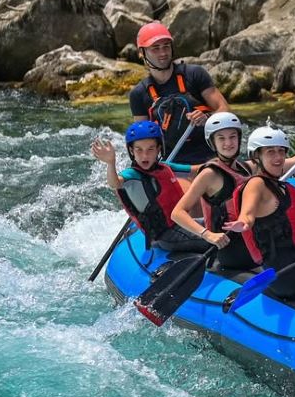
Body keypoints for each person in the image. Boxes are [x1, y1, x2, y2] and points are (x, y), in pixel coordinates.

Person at [223, 126, 295, 299]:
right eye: (270, 152)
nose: (278, 157)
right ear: (257, 156)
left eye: (281, 151)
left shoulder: (279, 186)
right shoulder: (257, 184)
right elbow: (247, 213)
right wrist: (244, 222)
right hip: (290, 275)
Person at [91, 120, 209, 252]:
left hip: (181, 223)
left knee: (219, 224)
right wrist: (110, 163)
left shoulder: (165, 167)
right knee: (214, 239)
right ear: (131, 151)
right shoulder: (132, 175)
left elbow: (196, 169)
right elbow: (114, 183)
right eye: (139, 150)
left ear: (159, 149)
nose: (145, 155)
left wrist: (219, 163)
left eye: (150, 149)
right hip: (166, 236)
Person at [128, 22, 230, 165]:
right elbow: (142, 139)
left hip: (210, 157)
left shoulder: (194, 74)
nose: (163, 53)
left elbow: (224, 109)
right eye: (155, 48)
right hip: (172, 163)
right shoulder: (138, 94)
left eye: (166, 46)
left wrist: (207, 118)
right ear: (142, 53)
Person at [170, 111, 256, 270]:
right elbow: (177, 213)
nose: (228, 143)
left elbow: (292, 161)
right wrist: (208, 235)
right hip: (230, 247)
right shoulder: (209, 174)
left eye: (232, 137)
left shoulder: (246, 167)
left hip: (252, 239)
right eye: (221, 138)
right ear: (213, 143)